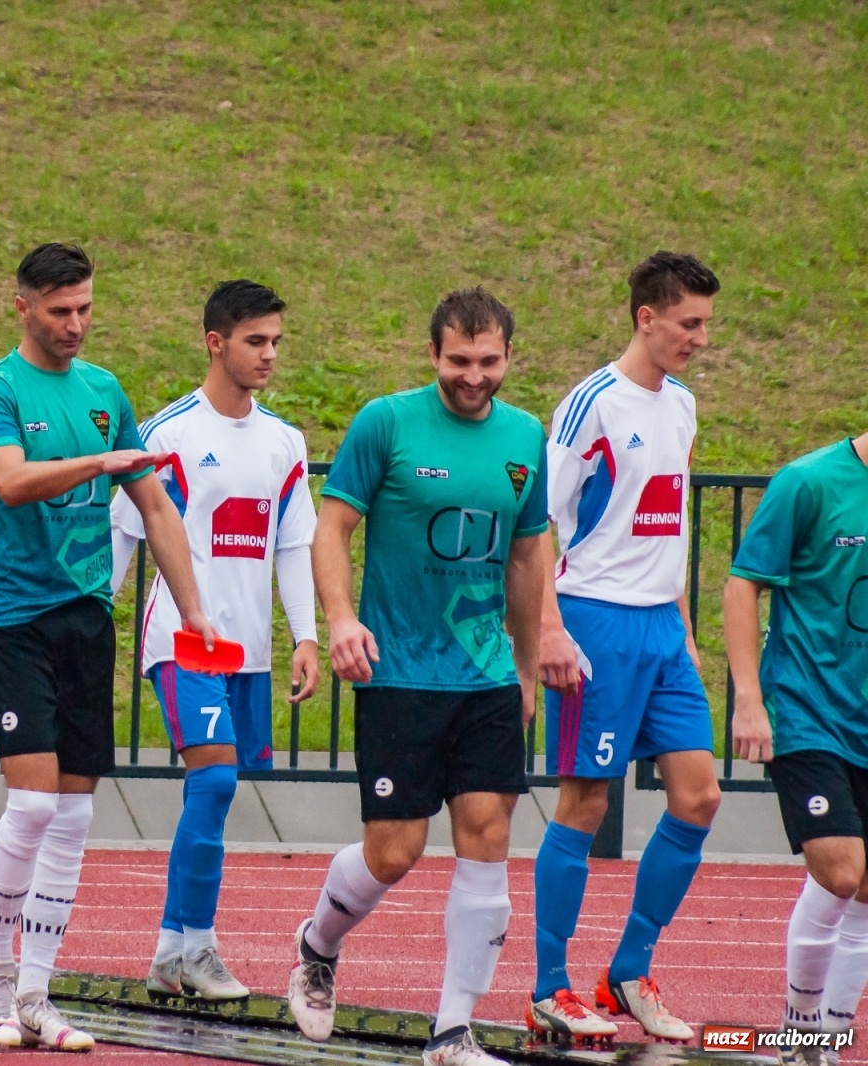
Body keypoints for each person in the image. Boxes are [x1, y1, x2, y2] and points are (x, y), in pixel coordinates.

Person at [0, 243, 214, 1051]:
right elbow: (10, 480)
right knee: (32, 802)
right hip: (10, 616)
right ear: (24, 307)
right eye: (60, 311)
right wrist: (99, 461)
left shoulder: (106, 390)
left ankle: (37, 992)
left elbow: (158, 508)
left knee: (73, 813)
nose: (75, 325)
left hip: (84, 616)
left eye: (85, 310)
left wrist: (194, 611)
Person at [287, 287, 547, 1066]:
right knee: (395, 852)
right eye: (460, 360)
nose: (474, 376)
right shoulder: (387, 423)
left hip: (486, 677)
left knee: (487, 837)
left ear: (509, 357)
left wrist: (526, 669)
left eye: (489, 361)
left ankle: (452, 1033)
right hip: (399, 671)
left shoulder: (526, 436)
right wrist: (339, 618)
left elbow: (529, 556)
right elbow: (330, 528)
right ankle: (317, 944)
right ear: (434, 354)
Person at [530, 252, 724, 1043]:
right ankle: (549, 985)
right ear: (648, 318)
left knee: (700, 796)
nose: (702, 339)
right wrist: (548, 627)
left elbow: (669, 518)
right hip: (595, 622)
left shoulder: (680, 406)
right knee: (587, 801)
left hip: (660, 629)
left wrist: (681, 621)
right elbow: (537, 525)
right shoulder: (591, 406)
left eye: (707, 323)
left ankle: (628, 971)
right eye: (691, 323)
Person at [107, 279, 319, 1001]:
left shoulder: (285, 441)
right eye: (255, 341)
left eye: (275, 343)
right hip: (181, 638)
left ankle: (174, 952)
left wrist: (307, 637)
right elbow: (126, 531)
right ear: (215, 342)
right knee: (217, 779)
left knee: (219, 790)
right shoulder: (169, 434)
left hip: (248, 650)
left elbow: (294, 545)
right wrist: (88, 622)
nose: (268, 356)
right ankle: (191, 946)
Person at [725, 430, 868, 1066]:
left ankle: (829, 1039)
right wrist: (750, 700)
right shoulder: (808, 482)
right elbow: (741, 584)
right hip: (807, 708)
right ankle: (801, 1026)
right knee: (839, 869)